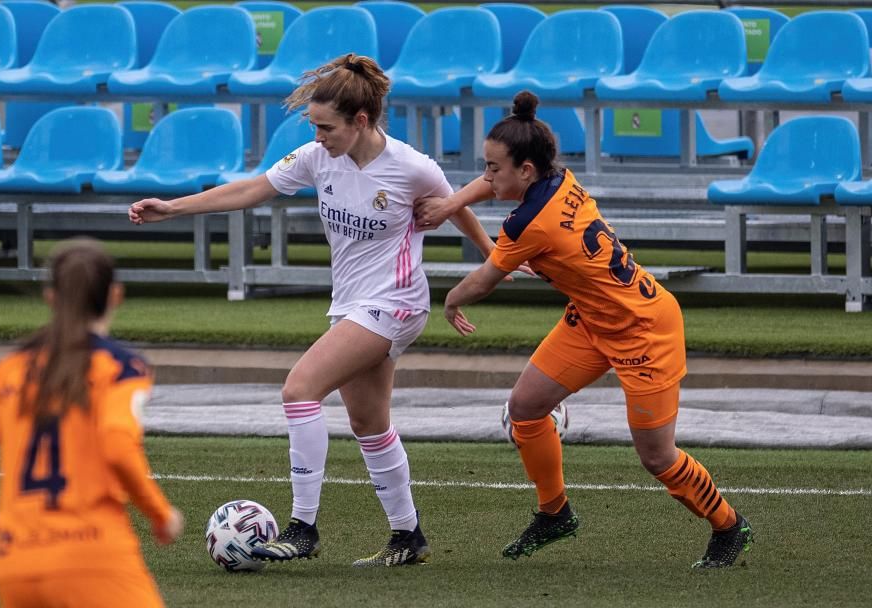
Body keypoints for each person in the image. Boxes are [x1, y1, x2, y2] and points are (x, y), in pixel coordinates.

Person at [128, 53, 496, 567]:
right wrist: (174, 207)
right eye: (314, 127)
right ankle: (408, 536)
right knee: (369, 423)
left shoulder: (412, 167)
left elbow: (457, 207)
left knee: (299, 390)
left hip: (396, 303)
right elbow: (253, 188)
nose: (319, 137)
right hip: (350, 304)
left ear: (361, 121)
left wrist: (495, 258)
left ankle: (303, 526)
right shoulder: (317, 157)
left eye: (326, 127)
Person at [414, 91, 754, 569]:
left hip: (644, 331)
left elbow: (486, 278)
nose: (486, 177)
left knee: (657, 458)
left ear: (525, 171)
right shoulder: (557, 177)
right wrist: (453, 203)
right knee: (526, 408)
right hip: (592, 320)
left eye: (493, 167)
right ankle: (555, 513)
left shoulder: (530, 223)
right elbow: (494, 187)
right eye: (485, 166)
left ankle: (729, 525)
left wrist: (449, 300)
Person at [0, 238, 187, 608]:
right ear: (115, 295)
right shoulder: (120, 367)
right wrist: (160, 514)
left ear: (51, 297)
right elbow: (118, 446)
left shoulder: (7, 371)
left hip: (19, 564)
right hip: (94, 557)